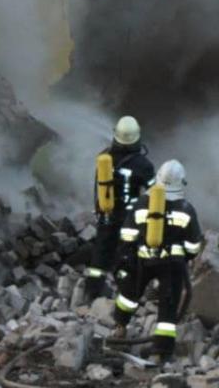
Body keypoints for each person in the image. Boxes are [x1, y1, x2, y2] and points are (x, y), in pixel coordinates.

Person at [111, 159, 203, 359]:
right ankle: (160, 352)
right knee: (168, 311)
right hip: (172, 266)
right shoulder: (186, 209)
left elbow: (127, 235)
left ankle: (119, 327)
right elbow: (193, 246)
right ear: (181, 183)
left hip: (142, 261)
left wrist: (131, 255)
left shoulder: (142, 203)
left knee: (128, 296)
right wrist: (183, 256)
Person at [86, 115, 155, 300]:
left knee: (100, 257)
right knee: (127, 255)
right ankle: (125, 293)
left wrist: (100, 210)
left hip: (107, 216)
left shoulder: (104, 157)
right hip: (130, 220)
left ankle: (91, 294)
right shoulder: (143, 165)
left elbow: (97, 187)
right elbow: (155, 193)